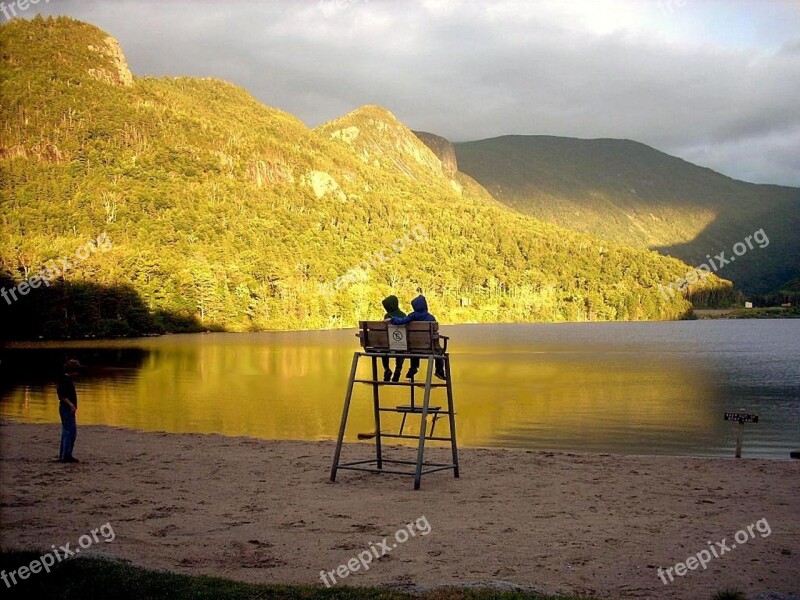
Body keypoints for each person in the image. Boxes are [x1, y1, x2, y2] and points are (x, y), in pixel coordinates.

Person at [386, 295, 446, 380]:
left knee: (415, 346)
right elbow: (434, 334)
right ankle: (439, 371)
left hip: (414, 347)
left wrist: (392, 319)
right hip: (429, 347)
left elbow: (401, 321)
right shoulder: (431, 317)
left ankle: (413, 368)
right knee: (439, 351)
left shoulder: (412, 316)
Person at [57, 359, 81, 463]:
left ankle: (64, 454)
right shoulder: (66, 380)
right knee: (69, 432)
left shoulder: (66, 380)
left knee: (67, 431)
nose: (77, 374)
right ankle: (66, 455)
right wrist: (71, 405)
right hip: (66, 409)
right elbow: (62, 395)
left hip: (66, 409)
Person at [381, 295, 406, 382]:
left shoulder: (387, 316)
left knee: (383, 348)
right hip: (401, 345)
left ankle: (387, 369)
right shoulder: (403, 315)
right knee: (401, 348)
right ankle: (398, 369)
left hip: (387, 346)